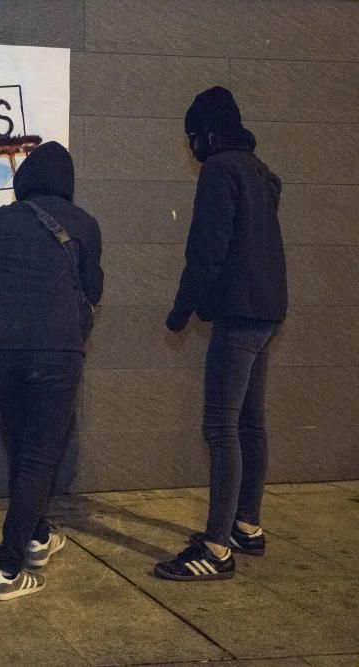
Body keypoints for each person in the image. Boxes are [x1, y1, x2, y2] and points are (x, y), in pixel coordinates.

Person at [154, 87, 287, 581]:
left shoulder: (220, 170)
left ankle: (215, 548)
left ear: (207, 132)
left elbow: (206, 250)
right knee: (250, 423)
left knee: (220, 427)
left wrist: (181, 309)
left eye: (193, 135)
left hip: (238, 314)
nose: (192, 145)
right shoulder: (258, 170)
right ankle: (245, 527)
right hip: (269, 311)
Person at [0, 141, 103, 600]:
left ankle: (37, 535)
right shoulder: (85, 224)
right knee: (37, 455)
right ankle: (8, 570)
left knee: (23, 442)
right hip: (54, 349)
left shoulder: (6, 219)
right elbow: (93, 288)